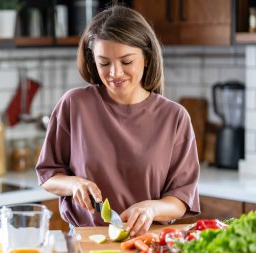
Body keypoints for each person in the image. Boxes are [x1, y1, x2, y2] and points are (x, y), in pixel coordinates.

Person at [35, 5, 200, 236]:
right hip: (86, 239)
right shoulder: (74, 104)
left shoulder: (175, 117)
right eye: (104, 63)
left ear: (146, 58)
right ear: (93, 61)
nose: (115, 73)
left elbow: (181, 198)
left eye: (126, 62)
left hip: (148, 242)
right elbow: (48, 175)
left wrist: (151, 208)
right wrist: (74, 185)